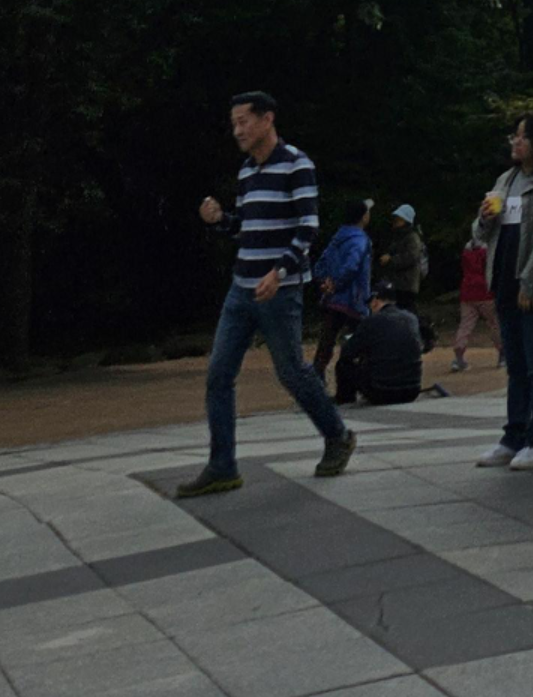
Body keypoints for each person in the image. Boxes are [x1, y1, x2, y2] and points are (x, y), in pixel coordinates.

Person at [178, 90, 355, 496]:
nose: (237, 129)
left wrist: (280, 272)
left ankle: (337, 435)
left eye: (244, 121)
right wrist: (222, 219)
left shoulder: (297, 164)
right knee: (218, 375)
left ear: (267, 119)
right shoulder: (246, 172)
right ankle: (222, 466)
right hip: (241, 289)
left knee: (291, 373)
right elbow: (246, 228)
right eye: (234, 122)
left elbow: (308, 228)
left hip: (280, 290)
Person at [472, 112, 533, 469]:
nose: (516, 142)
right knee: (514, 364)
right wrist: (484, 218)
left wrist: (532, 279)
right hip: (503, 282)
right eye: (514, 136)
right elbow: (481, 234)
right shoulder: (506, 178)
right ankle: (512, 437)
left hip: (532, 287)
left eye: (523, 136)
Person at [310, 197, 374, 386]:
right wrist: (337, 283)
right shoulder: (360, 240)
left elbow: (320, 264)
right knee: (362, 340)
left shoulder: (338, 237)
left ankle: (316, 380)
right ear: (363, 217)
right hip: (354, 299)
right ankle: (360, 380)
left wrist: (325, 282)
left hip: (333, 298)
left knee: (327, 341)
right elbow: (352, 266)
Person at [336, 293, 425, 407]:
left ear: (375, 301)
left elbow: (347, 352)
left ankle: (345, 401)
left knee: (343, 364)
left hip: (382, 392)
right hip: (412, 390)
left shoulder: (372, 321)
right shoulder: (411, 318)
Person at [450, 236, 497, 371]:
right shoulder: (487, 251)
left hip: (467, 291)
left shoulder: (466, 252)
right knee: (494, 323)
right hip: (485, 291)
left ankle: (459, 355)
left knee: (465, 325)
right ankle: (502, 355)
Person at [376, 203, 428, 313]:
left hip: (407, 284)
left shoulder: (412, 237)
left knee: (408, 310)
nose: (395, 221)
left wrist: (391, 259)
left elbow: (411, 257)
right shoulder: (397, 236)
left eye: (399, 219)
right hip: (397, 283)